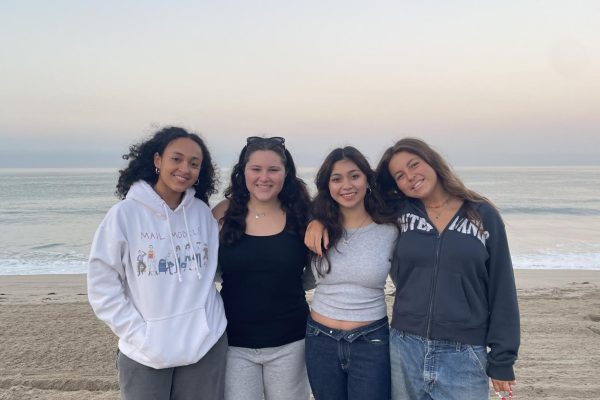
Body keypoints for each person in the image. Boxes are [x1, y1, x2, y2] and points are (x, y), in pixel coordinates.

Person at [306, 138, 520, 400]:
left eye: (414, 165)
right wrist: (316, 219)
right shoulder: (399, 212)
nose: (411, 177)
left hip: (463, 352)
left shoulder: (481, 215)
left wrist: (502, 358)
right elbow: (344, 201)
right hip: (405, 346)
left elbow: (502, 287)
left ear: (432, 160)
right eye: (400, 175)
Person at [87, 127, 227, 400]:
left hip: (206, 344)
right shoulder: (124, 215)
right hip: (145, 352)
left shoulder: (200, 214)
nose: (184, 168)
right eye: (176, 159)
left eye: (194, 164)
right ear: (157, 160)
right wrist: (139, 334)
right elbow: (102, 285)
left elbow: (218, 269)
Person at [212, 136, 312, 400]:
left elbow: (313, 275)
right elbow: (211, 272)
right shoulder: (222, 214)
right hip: (234, 343)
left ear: (286, 173)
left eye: (273, 170)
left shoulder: (304, 216)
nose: (263, 177)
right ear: (242, 171)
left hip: (291, 341)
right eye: (255, 169)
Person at [305, 146, 399, 400]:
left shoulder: (390, 229)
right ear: (328, 185)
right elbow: (299, 278)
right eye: (337, 179)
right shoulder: (313, 226)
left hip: (371, 341)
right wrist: (316, 221)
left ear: (367, 179)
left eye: (354, 176)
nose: (346, 185)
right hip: (319, 339)